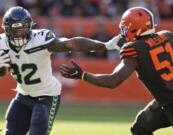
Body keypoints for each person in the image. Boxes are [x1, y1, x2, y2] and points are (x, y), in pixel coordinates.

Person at [0, 6, 125, 135]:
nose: (19, 34)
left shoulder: (40, 39)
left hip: (47, 95)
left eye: (22, 29)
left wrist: (105, 45)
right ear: (6, 30)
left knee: (39, 121)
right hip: (23, 95)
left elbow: (71, 44)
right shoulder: (1, 43)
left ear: (30, 27)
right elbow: (3, 71)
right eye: (14, 30)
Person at [59, 7, 173, 135]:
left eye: (125, 28)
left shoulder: (133, 49)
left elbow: (113, 81)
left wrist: (83, 75)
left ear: (134, 27)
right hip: (165, 100)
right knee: (140, 128)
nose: (123, 32)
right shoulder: (168, 36)